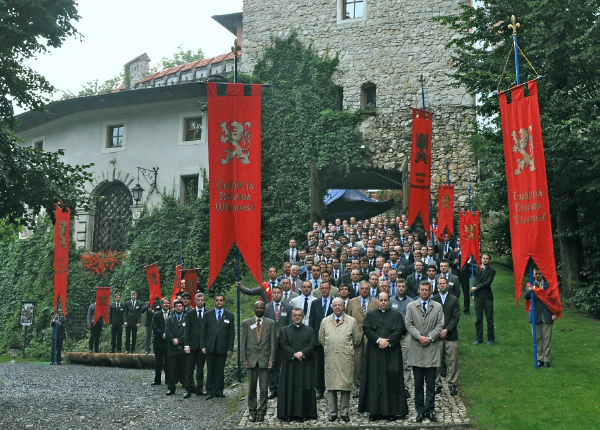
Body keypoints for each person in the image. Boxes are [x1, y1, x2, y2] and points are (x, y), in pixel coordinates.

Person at [358, 292, 409, 421]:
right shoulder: (371, 315)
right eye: (381, 300)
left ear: (389, 301)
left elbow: (400, 330)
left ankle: (391, 412)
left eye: (385, 300)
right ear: (378, 301)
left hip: (392, 353)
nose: (383, 302)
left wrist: (389, 342)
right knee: (374, 381)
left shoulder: (396, 315)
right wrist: (379, 340)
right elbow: (367, 329)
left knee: (392, 381)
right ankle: (374, 412)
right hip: (375, 353)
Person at [405, 281, 444, 423]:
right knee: (418, 383)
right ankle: (420, 410)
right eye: (422, 290)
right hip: (417, 348)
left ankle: (430, 409)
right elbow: (408, 323)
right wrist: (419, 336)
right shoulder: (411, 306)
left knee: (431, 383)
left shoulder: (438, 306)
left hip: (431, 349)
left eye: (427, 290)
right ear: (418, 290)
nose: (424, 292)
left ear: (431, 291)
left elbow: (440, 324)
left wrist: (430, 337)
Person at [319, 298, 361, 422]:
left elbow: (357, 339)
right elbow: (322, 339)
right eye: (335, 305)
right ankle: (332, 412)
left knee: (345, 386)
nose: (337, 307)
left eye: (340, 305)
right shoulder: (325, 321)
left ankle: (344, 412)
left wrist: (345, 348)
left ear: (344, 307)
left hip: (345, 357)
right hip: (331, 356)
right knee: (331, 386)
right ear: (332, 307)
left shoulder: (351, 321)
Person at [277, 308, 318, 422]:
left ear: (303, 317)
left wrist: (302, 353)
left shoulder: (309, 330)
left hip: (305, 364)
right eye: (295, 315)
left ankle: (303, 414)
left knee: (304, 388)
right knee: (289, 387)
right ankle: (289, 413)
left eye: (299, 315)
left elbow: (312, 345)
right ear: (292, 317)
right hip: (289, 365)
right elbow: (282, 344)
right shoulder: (285, 330)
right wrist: (294, 354)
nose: (297, 317)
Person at [241, 301, 276, 423]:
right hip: (250, 359)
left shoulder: (271, 323)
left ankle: (261, 412)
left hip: (264, 359)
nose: (260, 309)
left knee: (263, 388)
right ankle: (252, 411)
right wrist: (243, 359)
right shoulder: (246, 323)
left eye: (262, 307)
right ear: (254, 308)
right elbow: (243, 343)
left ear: (264, 309)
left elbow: (273, 343)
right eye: (257, 307)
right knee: (251, 388)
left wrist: (271, 359)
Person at [201, 294, 234, 399]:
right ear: (214, 302)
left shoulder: (229, 316)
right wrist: (203, 346)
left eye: (221, 300)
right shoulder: (207, 315)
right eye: (217, 300)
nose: (219, 302)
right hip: (210, 346)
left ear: (224, 302)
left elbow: (231, 334)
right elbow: (203, 332)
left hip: (222, 346)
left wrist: (230, 348)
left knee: (220, 369)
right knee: (210, 369)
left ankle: (219, 391)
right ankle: (209, 391)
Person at [432, 276, 460, 396]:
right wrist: (439, 331)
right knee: (436, 362)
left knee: (453, 362)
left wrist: (446, 330)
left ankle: (453, 384)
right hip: (437, 336)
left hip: (451, 335)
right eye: (440, 283)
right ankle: (437, 384)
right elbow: (432, 318)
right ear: (437, 285)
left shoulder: (453, 299)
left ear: (447, 285)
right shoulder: (433, 299)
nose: (442, 285)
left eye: (444, 283)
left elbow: (455, 317)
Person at [264, 286, 293, 399]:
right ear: (272, 294)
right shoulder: (266, 307)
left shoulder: (288, 307)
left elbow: (290, 324)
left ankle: (282, 387)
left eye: (278, 293)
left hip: (283, 340)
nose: (276, 294)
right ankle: (272, 388)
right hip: (270, 340)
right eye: (274, 292)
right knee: (271, 365)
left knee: (283, 365)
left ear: (282, 294)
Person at [526, 267, 557, 367]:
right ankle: (539, 358)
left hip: (547, 314)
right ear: (533, 274)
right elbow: (526, 297)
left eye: (539, 273)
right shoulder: (530, 285)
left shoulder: (549, 286)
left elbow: (553, 300)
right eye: (536, 274)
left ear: (542, 274)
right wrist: (529, 291)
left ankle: (546, 359)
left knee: (547, 338)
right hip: (535, 314)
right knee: (537, 338)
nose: (537, 275)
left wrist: (554, 313)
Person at [308, 281, 333, 399]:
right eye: (322, 288)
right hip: (318, 341)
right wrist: (313, 340)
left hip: (333, 340)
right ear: (319, 290)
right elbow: (311, 323)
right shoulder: (315, 303)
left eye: (326, 288)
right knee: (318, 366)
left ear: (330, 289)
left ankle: (333, 388)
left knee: (333, 365)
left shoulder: (336, 303)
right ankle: (319, 388)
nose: (324, 290)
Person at [389, 278, 414, 396]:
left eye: (403, 286)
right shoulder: (389, 301)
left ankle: (406, 387)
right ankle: (392, 385)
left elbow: (413, 319)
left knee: (406, 362)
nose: (401, 288)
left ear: (406, 287)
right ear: (395, 287)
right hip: (393, 336)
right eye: (399, 286)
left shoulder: (411, 302)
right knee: (392, 362)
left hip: (406, 335)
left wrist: (406, 332)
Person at [183, 292, 207, 398]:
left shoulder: (208, 313)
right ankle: (188, 388)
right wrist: (186, 344)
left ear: (204, 301)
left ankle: (200, 388)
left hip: (203, 346)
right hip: (192, 345)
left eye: (202, 300)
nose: (200, 301)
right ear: (195, 301)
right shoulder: (190, 314)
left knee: (200, 368)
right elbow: (187, 331)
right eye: (198, 300)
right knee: (189, 367)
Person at [471, 253, 496, 345]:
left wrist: (476, 288)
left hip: (487, 297)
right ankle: (478, 338)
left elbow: (487, 283)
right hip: (477, 297)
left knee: (489, 318)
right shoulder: (476, 268)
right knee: (478, 318)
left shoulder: (492, 271)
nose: (485, 260)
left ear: (489, 260)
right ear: (481, 259)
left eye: (487, 258)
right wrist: (468, 262)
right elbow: (464, 270)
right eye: (483, 258)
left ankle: (491, 338)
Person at [165, 299, 186, 396]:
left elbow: (188, 332)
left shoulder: (187, 318)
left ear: (183, 307)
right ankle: (171, 388)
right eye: (176, 306)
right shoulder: (169, 319)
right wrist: (174, 340)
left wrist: (180, 340)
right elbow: (167, 331)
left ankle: (187, 387)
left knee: (184, 368)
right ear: (173, 307)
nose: (178, 307)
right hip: (172, 347)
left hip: (183, 347)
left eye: (180, 306)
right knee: (171, 369)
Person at [151, 298, 170, 386]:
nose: (166, 305)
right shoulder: (156, 314)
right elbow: (154, 326)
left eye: (168, 303)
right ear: (161, 304)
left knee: (168, 362)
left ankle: (168, 380)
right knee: (158, 362)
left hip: (169, 342)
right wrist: (161, 334)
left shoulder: (172, 314)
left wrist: (169, 335)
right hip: (158, 341)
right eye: (164, 303)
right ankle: (157, 380)